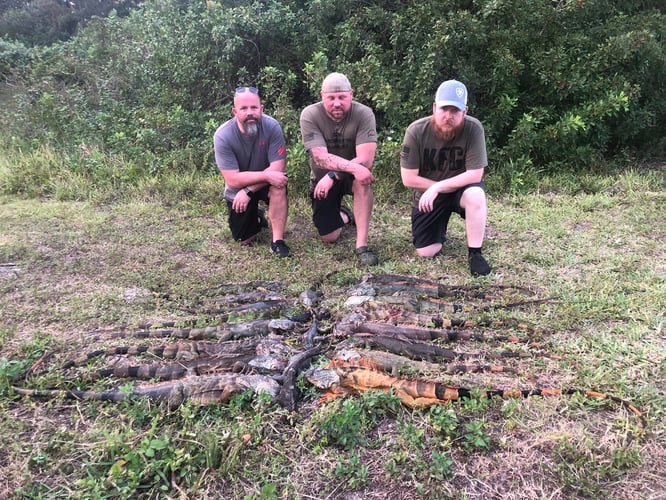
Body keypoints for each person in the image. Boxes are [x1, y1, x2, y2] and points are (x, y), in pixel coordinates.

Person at [400, 80, 492, 277]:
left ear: (465, 111)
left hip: (460, 191)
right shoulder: (416, 131)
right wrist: (435, 189)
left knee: (476, 194)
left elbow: (475, 174)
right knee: (426, 252)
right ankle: (440, 226)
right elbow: (408, 179)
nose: (448, 116)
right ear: (434, 107)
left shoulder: (474, 128)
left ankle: (475, 254)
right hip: (430, 196)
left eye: (455, 110)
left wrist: (438, 187)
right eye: (444, 109)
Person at [299, 72, 379, 265]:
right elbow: (320, 157)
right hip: (322, 179)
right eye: (331, 98)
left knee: (362, 180)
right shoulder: (310, 114)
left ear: (351, 94)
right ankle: (344, 215)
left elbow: (366, 161)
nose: (337, 103)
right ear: (322, 96)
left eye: (342, 97)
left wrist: (335, 174)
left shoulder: (363, 113)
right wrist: (333, 173)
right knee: (329, 237)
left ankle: (362, 245)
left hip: (351, 176)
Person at [213, 86, 291, 258]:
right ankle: (257, 215)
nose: (250, 112)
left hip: (260, 185)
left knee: (279, 184)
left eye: (254, 108)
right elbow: (232, 180)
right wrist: (264, 176)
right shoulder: (223, 135)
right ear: (235, 111)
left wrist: (249, 190)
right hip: (238, 188)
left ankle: (277, 242)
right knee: (244, 239)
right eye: (244, 108)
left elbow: (277, 170)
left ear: (261, 109)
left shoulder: (272, 127)